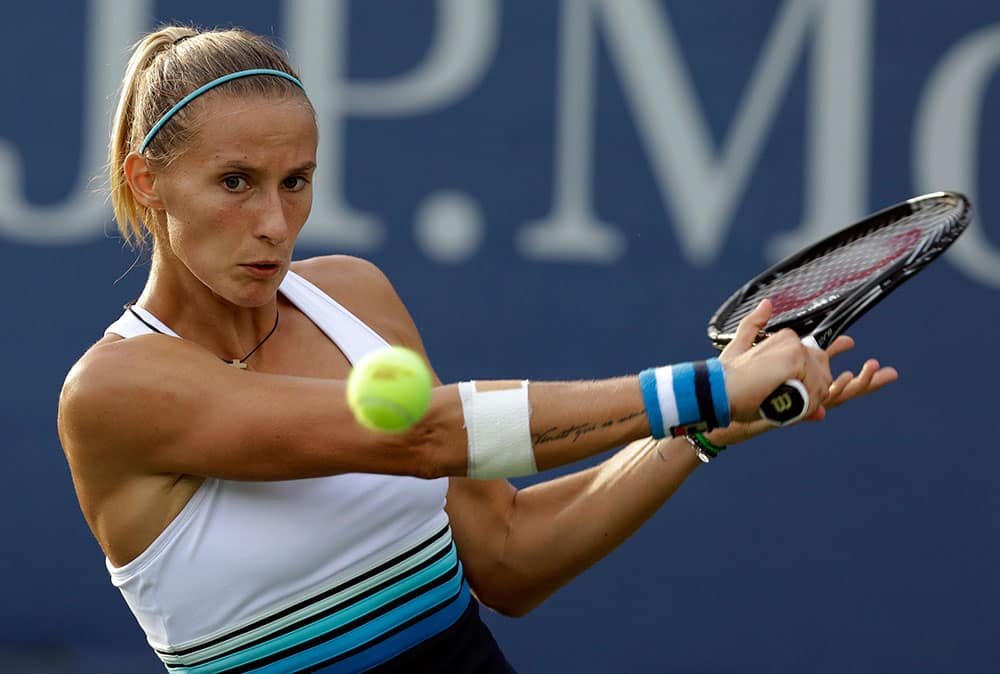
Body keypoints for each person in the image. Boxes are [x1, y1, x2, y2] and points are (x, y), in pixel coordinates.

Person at [56, 25, 897, 674]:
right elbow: (424, 437)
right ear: (146, 181)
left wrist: (700, 429)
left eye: (296, 181)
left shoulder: (353, 296)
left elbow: (506, 557)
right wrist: (703, 387)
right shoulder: (117, 389)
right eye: (234, 182)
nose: (275, 224)